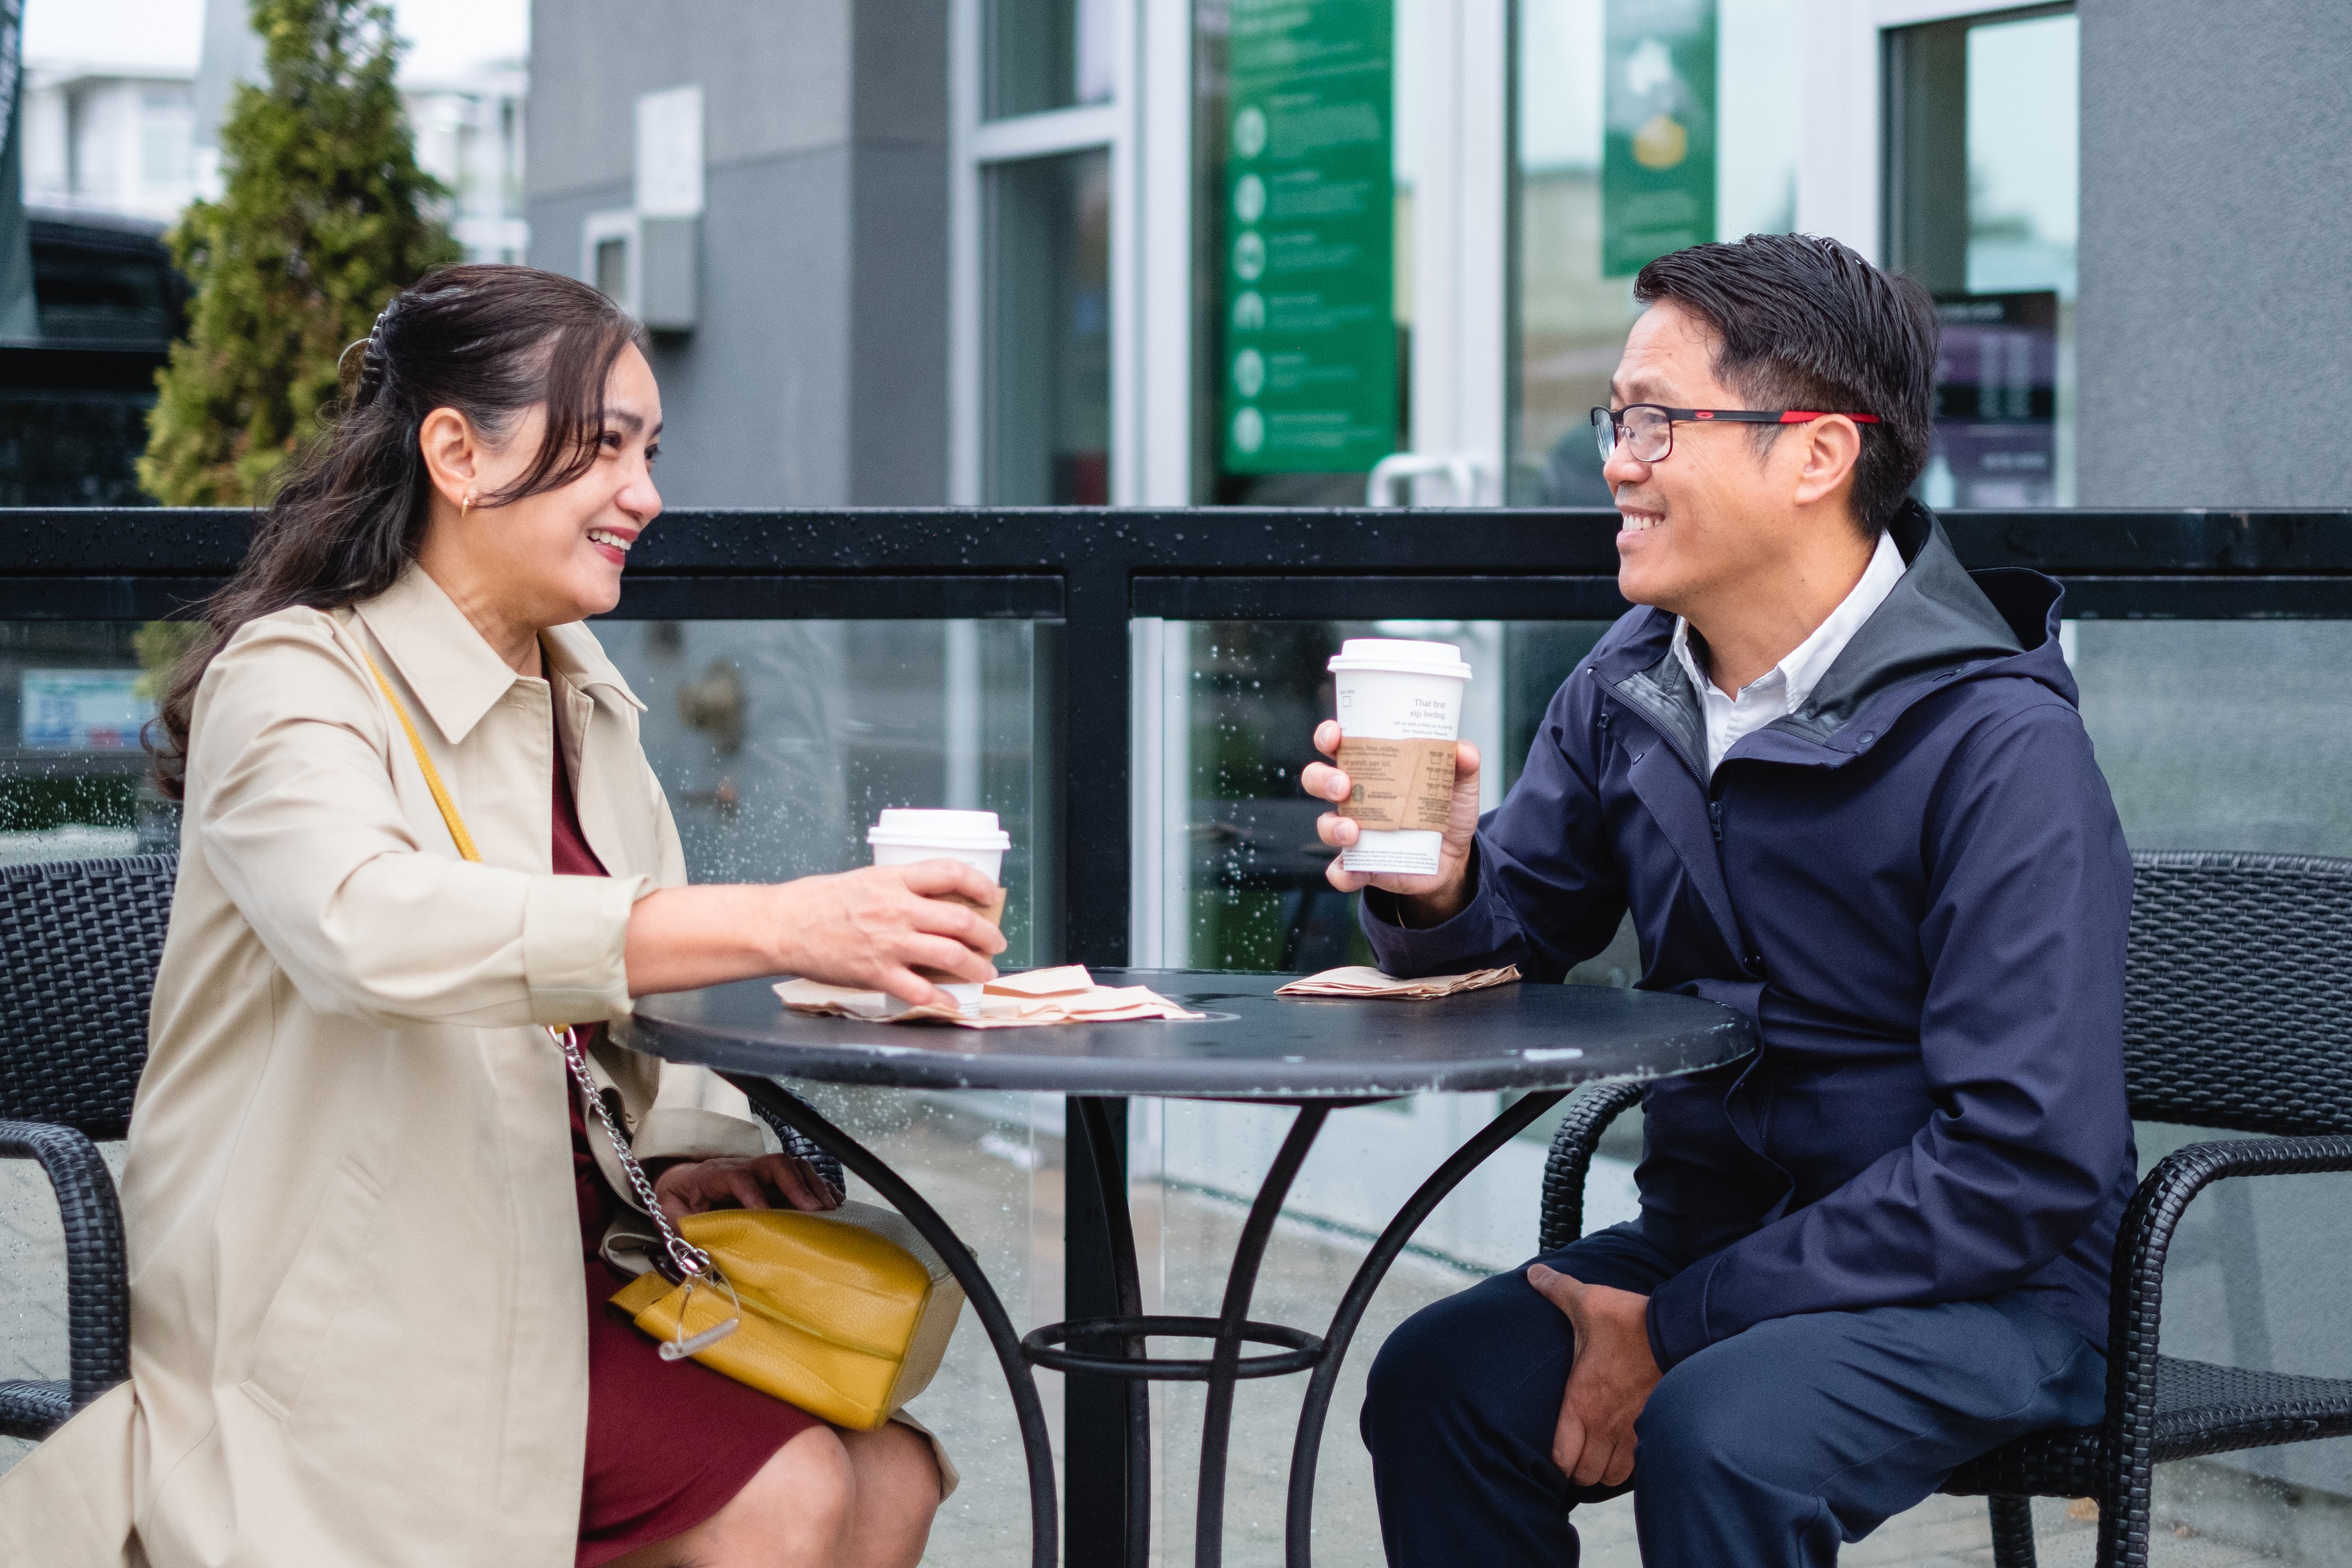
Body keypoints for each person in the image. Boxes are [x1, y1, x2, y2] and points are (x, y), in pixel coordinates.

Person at [0, 264, 1004, 1568]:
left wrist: (699, 1143)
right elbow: (367, 922)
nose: (644, 493)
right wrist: (784, 921)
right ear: (457, 453)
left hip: (561, 1265)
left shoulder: (578, 696)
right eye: (602, 450)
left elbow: (617, 1017)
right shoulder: (294, 678)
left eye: (649, 450)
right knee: (794, 1492)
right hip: (354, 1310)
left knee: (891, 1477)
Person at [1305, 234, 2134, 1567]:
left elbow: (2022, 1161)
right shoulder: (1636, 681)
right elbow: (1519, 929)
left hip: (1989, 1285)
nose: (1616, 460)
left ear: (1814, 454)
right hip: (1717, 1242)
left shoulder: (1999, 745)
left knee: (1720, 1428)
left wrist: (1680, 1320)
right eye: (1614, 420)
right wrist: (1444, 877)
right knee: (1440, 1381)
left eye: (1655, 421)